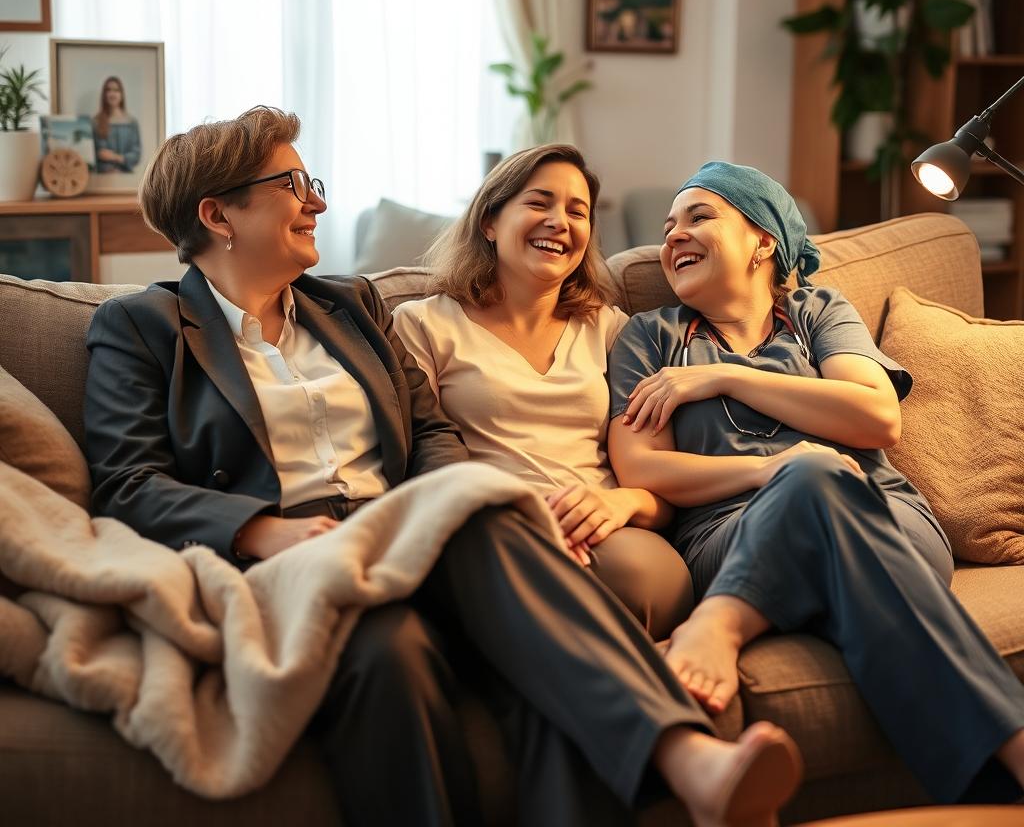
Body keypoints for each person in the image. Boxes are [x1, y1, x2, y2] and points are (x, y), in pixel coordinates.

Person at [84, 109, 802, 827]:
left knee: (482, 527)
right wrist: (265, 532)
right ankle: (689, 758)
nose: (318, 202)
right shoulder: (141, 328)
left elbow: (428, 433)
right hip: (282, 562)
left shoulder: (350, 307)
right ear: (218, 214)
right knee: (391, 650)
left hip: (403, 540)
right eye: (295, 184)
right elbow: (127, 484)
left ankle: (689, 760)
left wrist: (465, 505)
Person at [607, 160, 1024, 804]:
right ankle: (1009, 754)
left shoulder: (819, 312)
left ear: (764, 241)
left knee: (820, 475)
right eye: (668, 226)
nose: (674, 236)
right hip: (733, 536)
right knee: (813, 469)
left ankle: (721, 623)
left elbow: (878, 418)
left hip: (886, 515)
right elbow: (643, 467)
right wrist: (776, 470)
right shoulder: (650, 337)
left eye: (699, 216)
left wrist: (727, 377)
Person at [393, 144, 693, 640]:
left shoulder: (613, 329)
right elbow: (415, 461)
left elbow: (660, 486)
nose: (560, 221)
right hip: (491, 527)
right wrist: (512, 520)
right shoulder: (423, 324)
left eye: (578, 212)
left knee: (651, 580)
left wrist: (622, 505)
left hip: (606, 527)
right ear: (489, 221)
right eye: (539, 203)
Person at [92, 75, 142, 173]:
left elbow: (136, 156)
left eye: (116, 90)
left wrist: (114, 157)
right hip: (103, 178)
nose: (112, 94)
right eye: (108, 90)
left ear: (121, 94)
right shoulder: (96, 122)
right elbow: (94, 154)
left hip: (126, 178)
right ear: (104, 94)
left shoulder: (131, 122)